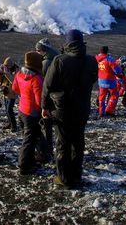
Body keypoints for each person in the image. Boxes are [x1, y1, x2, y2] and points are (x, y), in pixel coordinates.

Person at [41, 29, 98, 188]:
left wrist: (45, 106)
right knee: (78, 142)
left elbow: (47, 86)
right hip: (82, 108)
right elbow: (93, 79)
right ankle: (76, 176)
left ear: (67, 43)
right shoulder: (91, 61)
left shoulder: (60, 60)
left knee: (63, 142)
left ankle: (64, 178)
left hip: (62, 110)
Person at [12, 51, 50, 175]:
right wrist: (46, 110)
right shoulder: (36, 79)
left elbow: (15, 89)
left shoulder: (18, 74)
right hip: (32, 114)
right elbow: (40, 101)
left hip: (22, 110)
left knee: (32, 137)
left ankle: (40, 156)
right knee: (29, 140)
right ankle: (24, 165)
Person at [35, 38, 60, 156]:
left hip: (49, 97)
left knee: (46, 122)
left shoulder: (46, 62)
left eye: (38, 50)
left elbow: (45, 83)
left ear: (43, 50)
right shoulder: (57, 57)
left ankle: (48, 148)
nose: (37, 52)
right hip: (57, 96)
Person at [96, 46, 120, 117]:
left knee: (101, 97)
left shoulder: (96, 59)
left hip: (101, 81)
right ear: (107, 51)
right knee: (114, 95)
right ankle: (109, 110)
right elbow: (117, 70)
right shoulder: (109, 59)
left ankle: (101, 112)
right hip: (110, 81)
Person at [0, 58, 18, 132]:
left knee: (9, 109)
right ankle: (10, 123)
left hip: (12, 93)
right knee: (7, 110)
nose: (6, 67)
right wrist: (0, 74)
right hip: (5, 92)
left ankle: (14, 125)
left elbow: (13, 81)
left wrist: (6, 73)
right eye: (5, 66)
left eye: (7, 66)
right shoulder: (5, 71)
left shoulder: (15, 71)